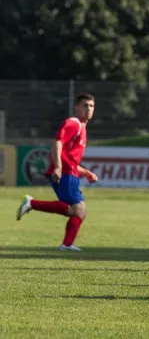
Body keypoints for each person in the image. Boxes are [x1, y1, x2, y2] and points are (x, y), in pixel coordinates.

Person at [16, 93, 98, 251]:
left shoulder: (82, 127)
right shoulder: (73, 123)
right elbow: (57, 142)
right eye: (85, 105)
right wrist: (58, 167)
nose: (89, 109)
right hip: (65, 173)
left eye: (92, 106)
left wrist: (86, 172)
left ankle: (66, 244)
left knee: (78, 211)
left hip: (71, 172)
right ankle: (32, 204)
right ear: (76, 107)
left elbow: (71, 159)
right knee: (77, 210)